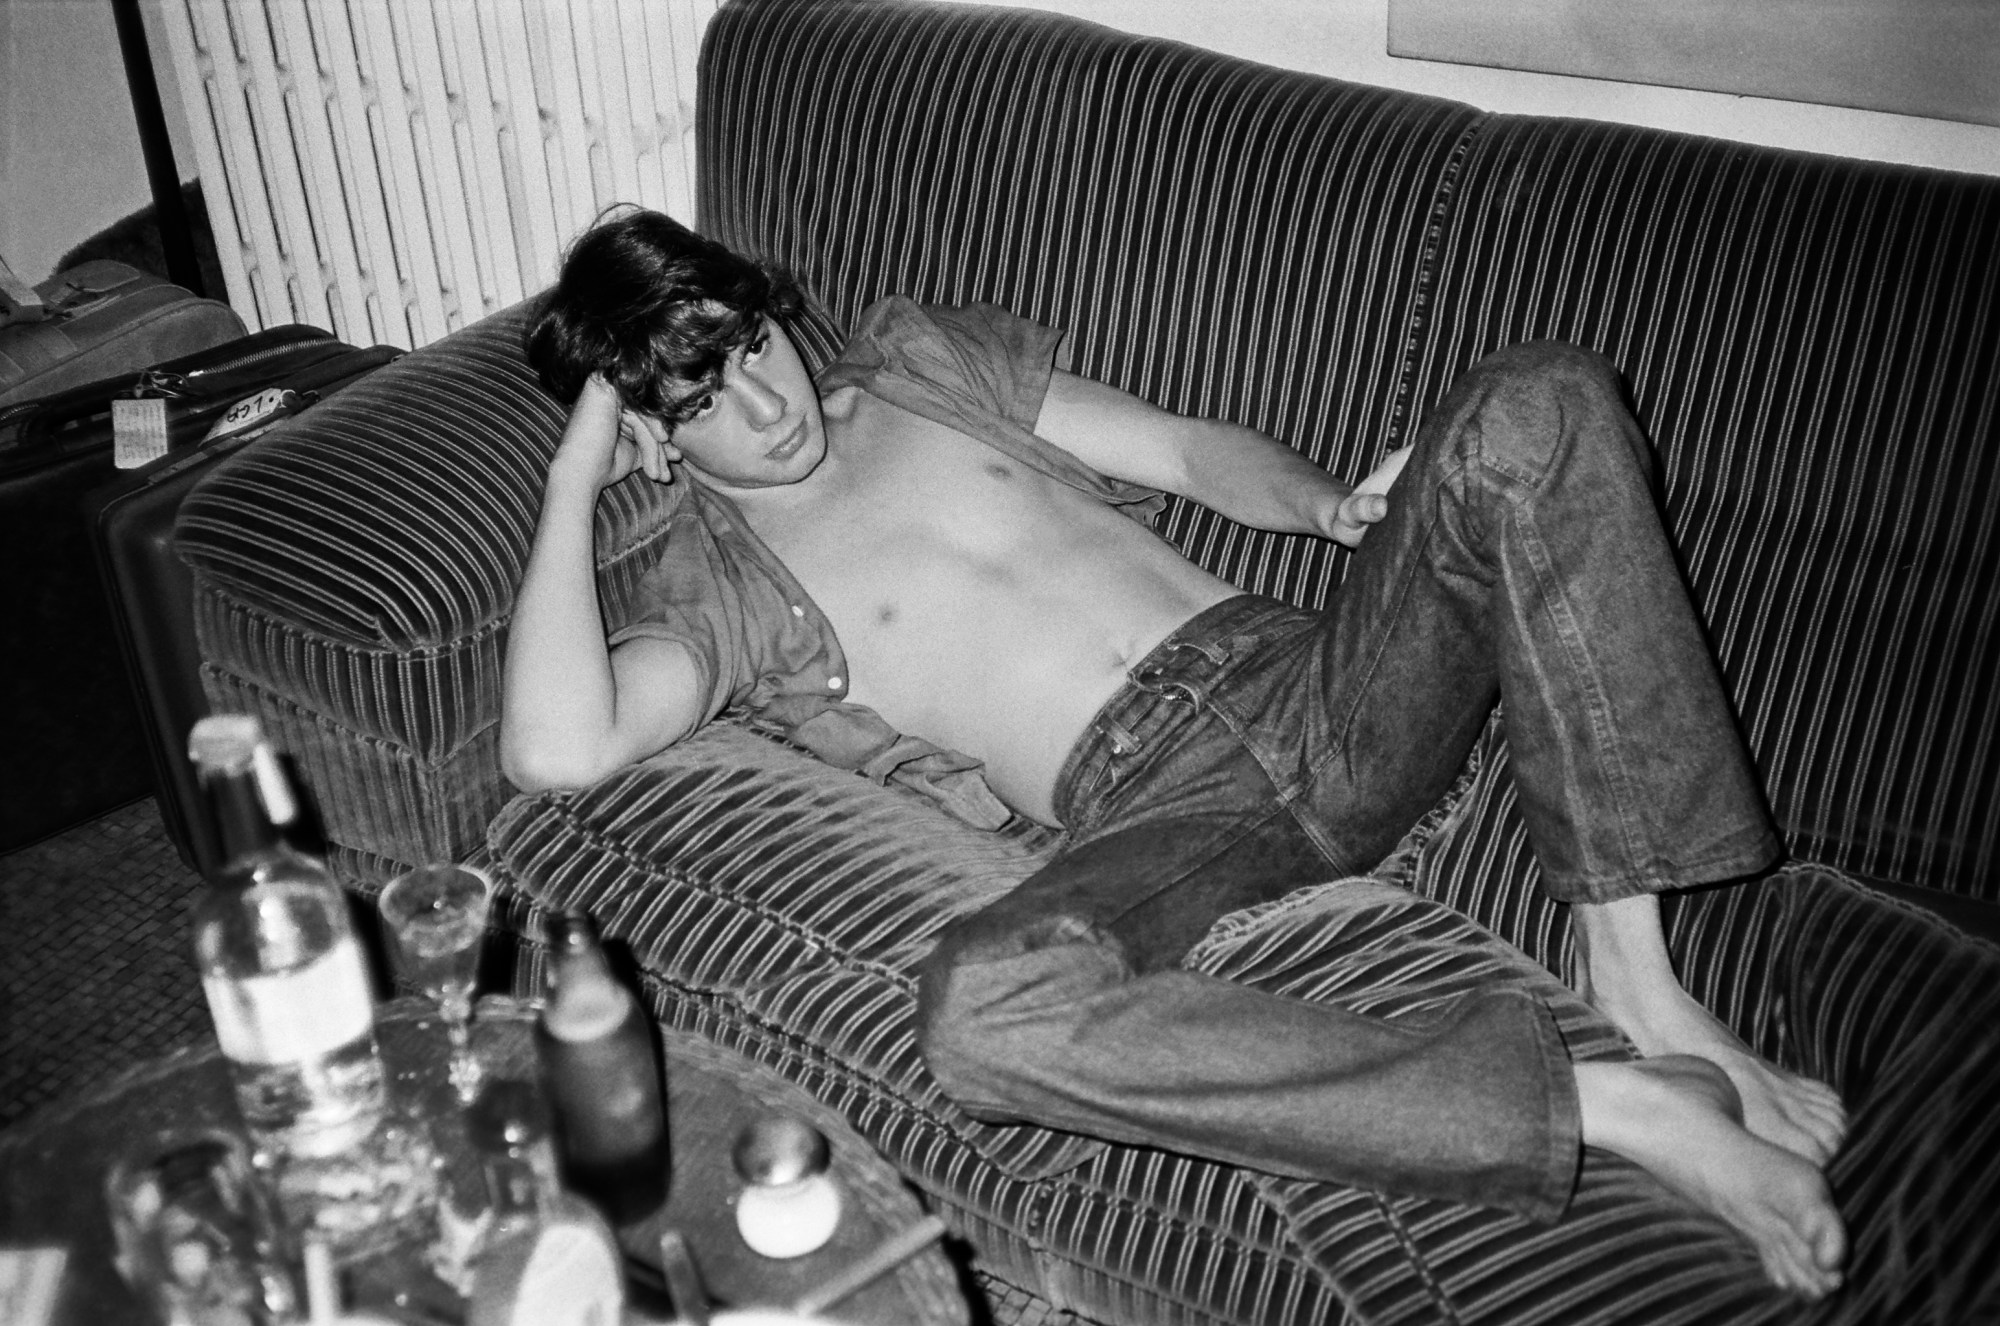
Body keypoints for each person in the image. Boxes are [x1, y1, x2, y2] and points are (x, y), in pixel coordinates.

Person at [502, 207, 1850, 1297]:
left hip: (1321, 681)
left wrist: (1322, 504)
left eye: (749, 344)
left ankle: (1646, 982)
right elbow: (557, 748)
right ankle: (1609, 1105)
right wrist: (574, 469)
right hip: (1156, 815)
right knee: (981, 1012)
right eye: (699, 396)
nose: (764, 399)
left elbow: (1192, 451)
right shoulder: (716, 585)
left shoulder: (914, 362)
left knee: (1538, 396)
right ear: (651, 441)